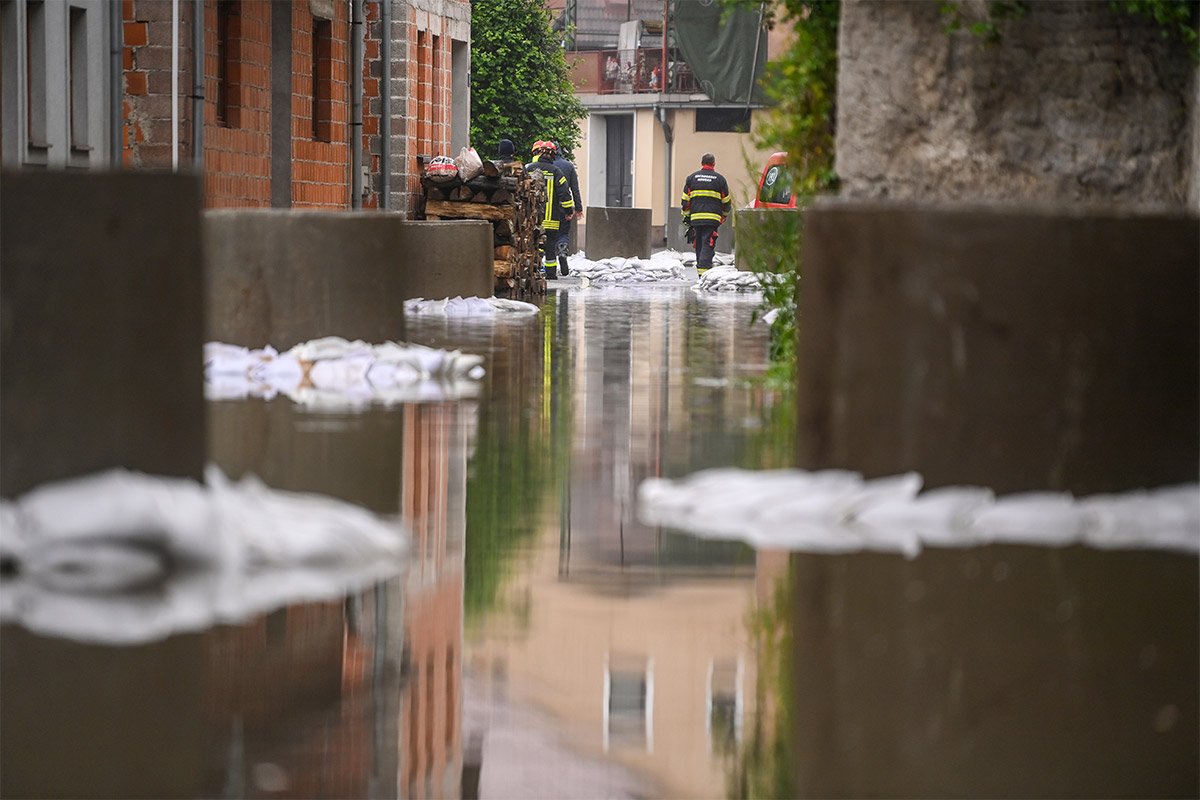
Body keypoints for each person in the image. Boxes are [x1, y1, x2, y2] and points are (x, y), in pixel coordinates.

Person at [525, 141, 575, 280]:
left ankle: (532, 271)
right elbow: (565, 194)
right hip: (551, 219)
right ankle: (551, 274)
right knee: (550, 246)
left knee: (533, 245)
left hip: (532, 218)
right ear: (553, 155)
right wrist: (568, 211)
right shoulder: (556, 172)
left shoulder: (529, 169)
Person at [680, 152, 731, 270]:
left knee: (698, 244)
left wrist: (687, 217)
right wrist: (723, 216)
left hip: (696, 218)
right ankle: (703, 271)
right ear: (714, 164)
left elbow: (685, 201)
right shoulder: (720, 179)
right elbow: (726, 202)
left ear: (702, 163)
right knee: (708, 244)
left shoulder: (692, 178)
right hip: (712, 219)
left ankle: (701, 270)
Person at [551, 142, 583, 278]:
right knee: (563, 232)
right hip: (565, 206)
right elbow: (575, 189)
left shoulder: (547, 165)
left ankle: (548, 265)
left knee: (549, 236)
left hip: (548, 207)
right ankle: (563, 248)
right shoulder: (568, 166)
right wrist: (578, 208)